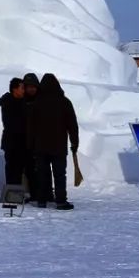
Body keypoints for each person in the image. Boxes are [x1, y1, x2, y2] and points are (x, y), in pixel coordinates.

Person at [30, 73, 79, 210]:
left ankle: (41, 200)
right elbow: (72, 125)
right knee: (59, 174)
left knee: (42, 174)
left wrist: (31, 145)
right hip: (58, 146)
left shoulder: (37, 103)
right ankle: (61, 201)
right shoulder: (64, 102)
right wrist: (74, 143)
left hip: (40, 146)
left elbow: (31, 127)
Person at [0, 78, 27, 186]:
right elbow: (14, 123)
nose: (24, 91)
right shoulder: (10, 103)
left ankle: (16, 192)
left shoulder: (20, 102)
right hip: (12, 141)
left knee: (18, 168)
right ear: (15, 89)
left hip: (19, 141)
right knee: (12, 168)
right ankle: (12, 192)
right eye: (22, 88)